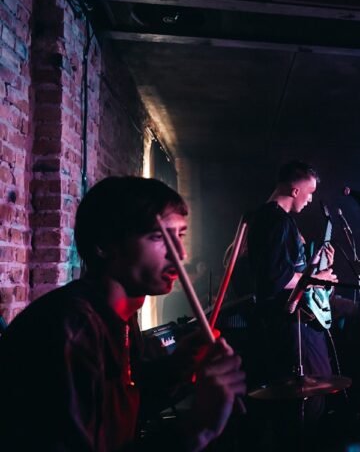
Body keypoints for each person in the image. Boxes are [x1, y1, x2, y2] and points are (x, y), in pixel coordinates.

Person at [0, 176, 246, 451]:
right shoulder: (72, 330)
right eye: (158, 236)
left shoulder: (120, 316)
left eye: (181, 235)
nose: (180, 252)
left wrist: (178, 367)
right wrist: (197, 428)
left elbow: (117, 409)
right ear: (105, 245)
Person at [240, 161, 337, 445]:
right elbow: (276, 278)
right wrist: (318, 279)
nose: (310, 201)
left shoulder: (274, 219)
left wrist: (316, 265)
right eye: (309, 193)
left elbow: (285, 268)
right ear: (295, 190)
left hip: (284, 323)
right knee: (309, 398)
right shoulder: (275, 220)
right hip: (288, 325)